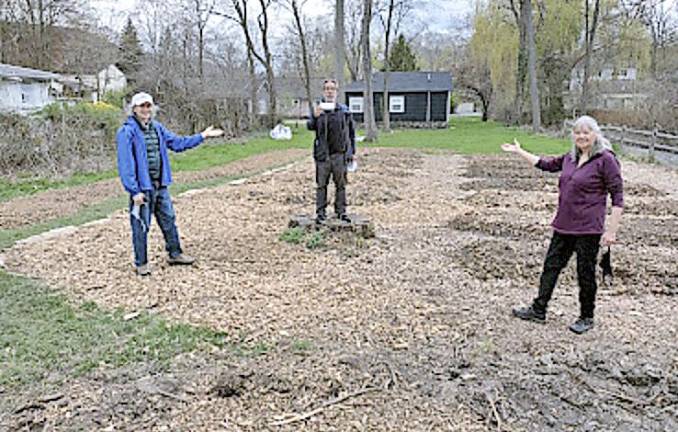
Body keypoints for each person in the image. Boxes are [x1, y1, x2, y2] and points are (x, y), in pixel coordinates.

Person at [500, 115, 624, 334]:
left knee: (585, 273)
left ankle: (587, 317)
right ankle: (538, 310)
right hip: (564, 225)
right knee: (551, 267)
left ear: (595, 134)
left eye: (586, 132)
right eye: (577, 132)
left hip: (588, 228)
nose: (581, 136)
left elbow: (618, 197)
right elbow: (545, 165)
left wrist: (611, 231)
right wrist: (519, 151)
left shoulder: (606, 159)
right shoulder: (570, 158)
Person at [116, 92, 224, 276]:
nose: (145, 109)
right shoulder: (126, 131)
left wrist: (202, 136)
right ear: (134, 109)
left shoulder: (157, 128)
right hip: (143, 189)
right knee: (141, 225)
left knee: (169, 221)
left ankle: (175, 254)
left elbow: (178, 143)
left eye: (148, 106)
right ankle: (140, 263)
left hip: (160, 185)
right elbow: (126, 164)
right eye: (142, 106)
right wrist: (134, 191)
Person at [307, 79, 356, 224]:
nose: (329, 91)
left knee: (340, 185)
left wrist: (351, 152)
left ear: (336, 92)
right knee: (321, 185)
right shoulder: (318, 110)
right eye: (327, 89)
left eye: (332, 89)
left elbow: (351, 133)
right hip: (322, 155)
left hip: (339, 154)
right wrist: (315, 117)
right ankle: (320, 213)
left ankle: (341, 212)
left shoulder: (344, 111)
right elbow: (310, 127)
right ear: (323, 91)